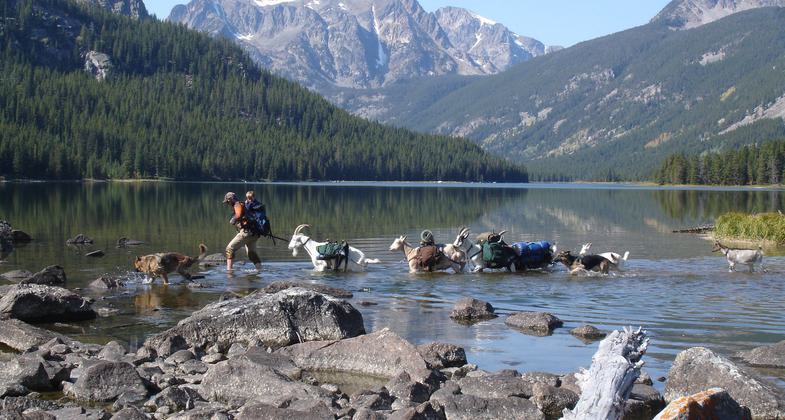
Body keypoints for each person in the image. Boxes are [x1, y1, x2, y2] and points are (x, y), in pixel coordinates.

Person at [223, 192, 262, 272]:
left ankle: (229, 271)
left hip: (246, 233)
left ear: (230, 199)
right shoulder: (244, 204)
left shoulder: (237, 204)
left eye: (227, 202)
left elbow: (238, 215)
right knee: (251, 253)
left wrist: (233, 220)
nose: (227, 204)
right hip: (254, 233)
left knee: (229, 249)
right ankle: (260, 270)